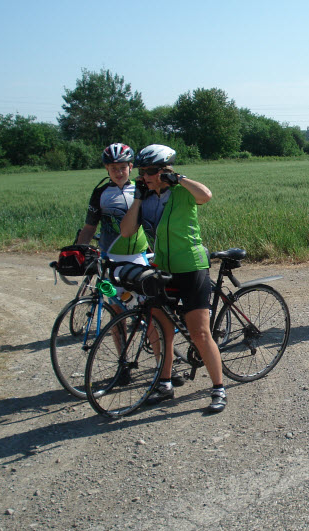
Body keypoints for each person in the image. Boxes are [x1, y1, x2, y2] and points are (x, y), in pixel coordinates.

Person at [120, 144, 227, 413]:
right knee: (161, 328)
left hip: (191, 267)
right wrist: (138, 199)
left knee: (200, 333)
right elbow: (127, 231)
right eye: (143, 171)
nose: (147, 176)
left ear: (165, 170)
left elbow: (206, 196)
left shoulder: (182, 192)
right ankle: (164, 383)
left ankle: (218, 388)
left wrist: (178, 179)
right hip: (162, 269)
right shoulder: (145, 197)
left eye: (153, 171)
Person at [76, 143, 149, 266]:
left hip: (139, 255)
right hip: (109, 255)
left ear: (130, 166)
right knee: (106, 286)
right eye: (113, 168)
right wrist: (78, 252)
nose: (118, 172)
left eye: (122, 167)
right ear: (106, 168)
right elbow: (90, 227)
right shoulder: (100, 193)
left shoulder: (143, 188)